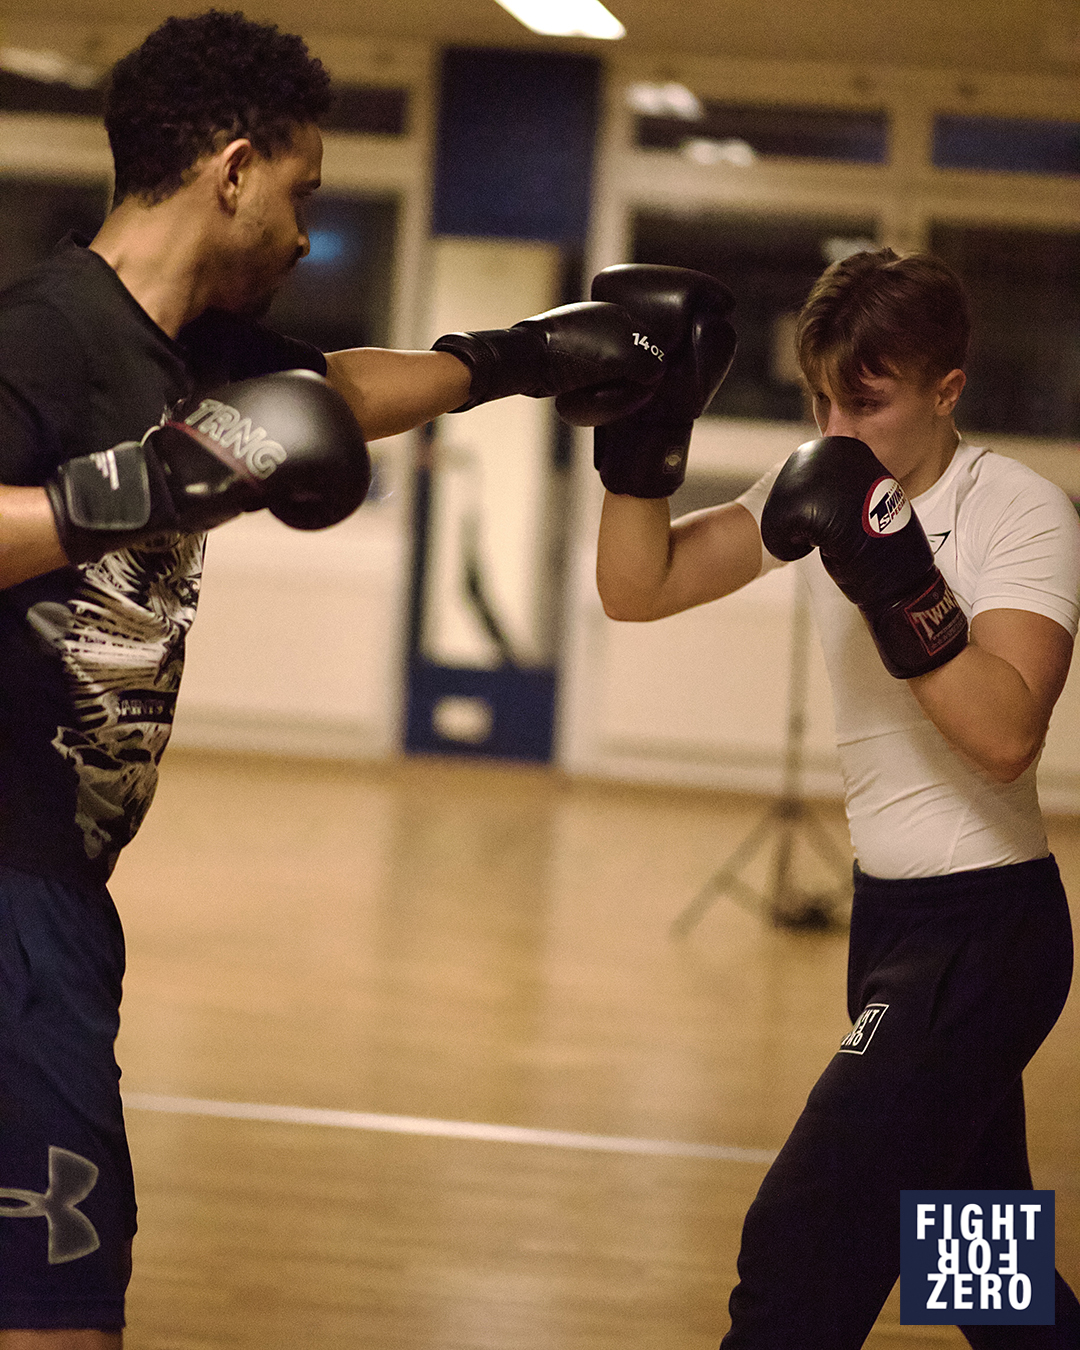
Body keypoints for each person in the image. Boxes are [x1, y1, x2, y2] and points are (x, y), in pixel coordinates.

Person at [0, 11, 673, 1345]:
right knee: (61, 1307)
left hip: (58, 895)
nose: (310, 235)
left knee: (863, 1231)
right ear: (232, 170)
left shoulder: (182, 349)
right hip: (12, 892)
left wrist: (521, 359)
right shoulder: (46, 335)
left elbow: (341, 393)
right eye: (301, 192)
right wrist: (136, 491)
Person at [587, 250, 1080, 1347]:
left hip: (987, 933)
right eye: (821, 400)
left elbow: (1006, 737)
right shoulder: (814, 484)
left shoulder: (1020, 510)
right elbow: (637, 587)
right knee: (984, 1281)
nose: (837, 427)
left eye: (868, 402)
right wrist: (642, 439)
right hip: (890, 921)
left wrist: (892, 571)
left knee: (801, 1240)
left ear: (948, 388)